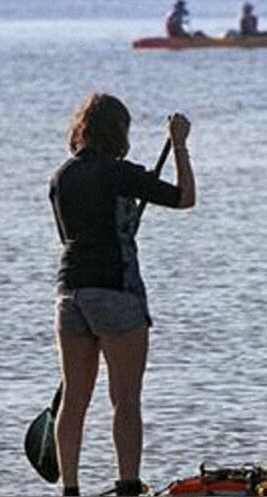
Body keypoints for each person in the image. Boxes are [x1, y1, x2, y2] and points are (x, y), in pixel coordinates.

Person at [50, 96, 196, 497]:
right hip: (116, 291)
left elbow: (69, 236)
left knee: (74, 400)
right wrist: (179, 144)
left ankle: (70, 489)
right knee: (126, 399)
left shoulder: (61, 176)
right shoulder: (119, 174)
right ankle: (128, 486)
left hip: (69, 294)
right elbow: (185, 197)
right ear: (118, 131)